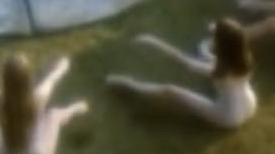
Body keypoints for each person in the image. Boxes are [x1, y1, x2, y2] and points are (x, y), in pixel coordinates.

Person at [105, 19, 257, 129]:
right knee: (207, 58)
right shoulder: (244, 60)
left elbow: (183, 61)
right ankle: (126, 83)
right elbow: (223, 52)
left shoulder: (218, 72)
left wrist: (152, 41)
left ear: (222, 46)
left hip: (228, 117)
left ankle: (127, 84)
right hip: (249, 105)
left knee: (170, 91)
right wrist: (212, 38)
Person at [0, 54, 88, 154]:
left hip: (2, 150)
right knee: (52, 113)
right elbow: (49, 82)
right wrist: (74, 108)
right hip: (33, 150)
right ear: (27, 80)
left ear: (5, 81)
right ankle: (75, 106)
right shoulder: (36, 102)